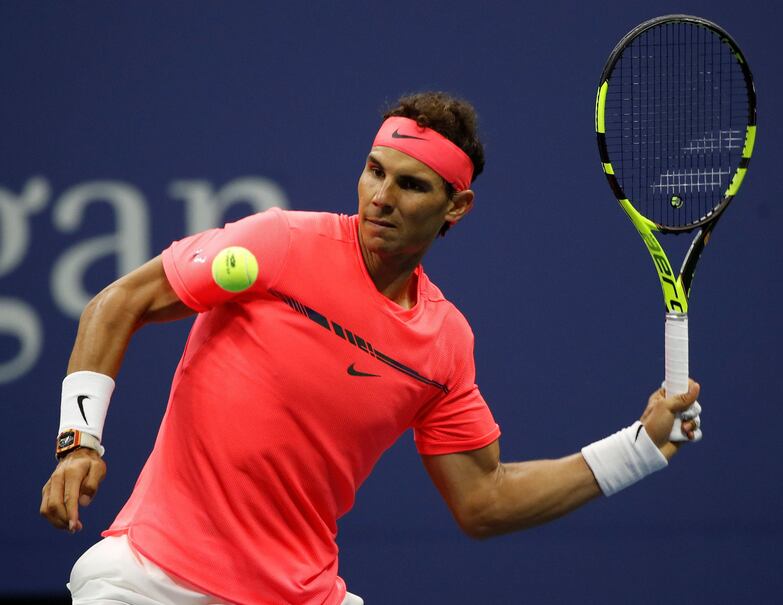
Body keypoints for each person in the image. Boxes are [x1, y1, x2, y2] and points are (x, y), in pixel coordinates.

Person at [41, 91, 702, 605]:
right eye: (373, 171)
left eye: (411, 185)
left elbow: (484, 500)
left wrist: (639, 448)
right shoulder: (279, 244)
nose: (380, 197)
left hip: (300, 592)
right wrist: (79, 439)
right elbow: (118, 303)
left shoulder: (444, 342)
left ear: (457, 205)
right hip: (149, 578)